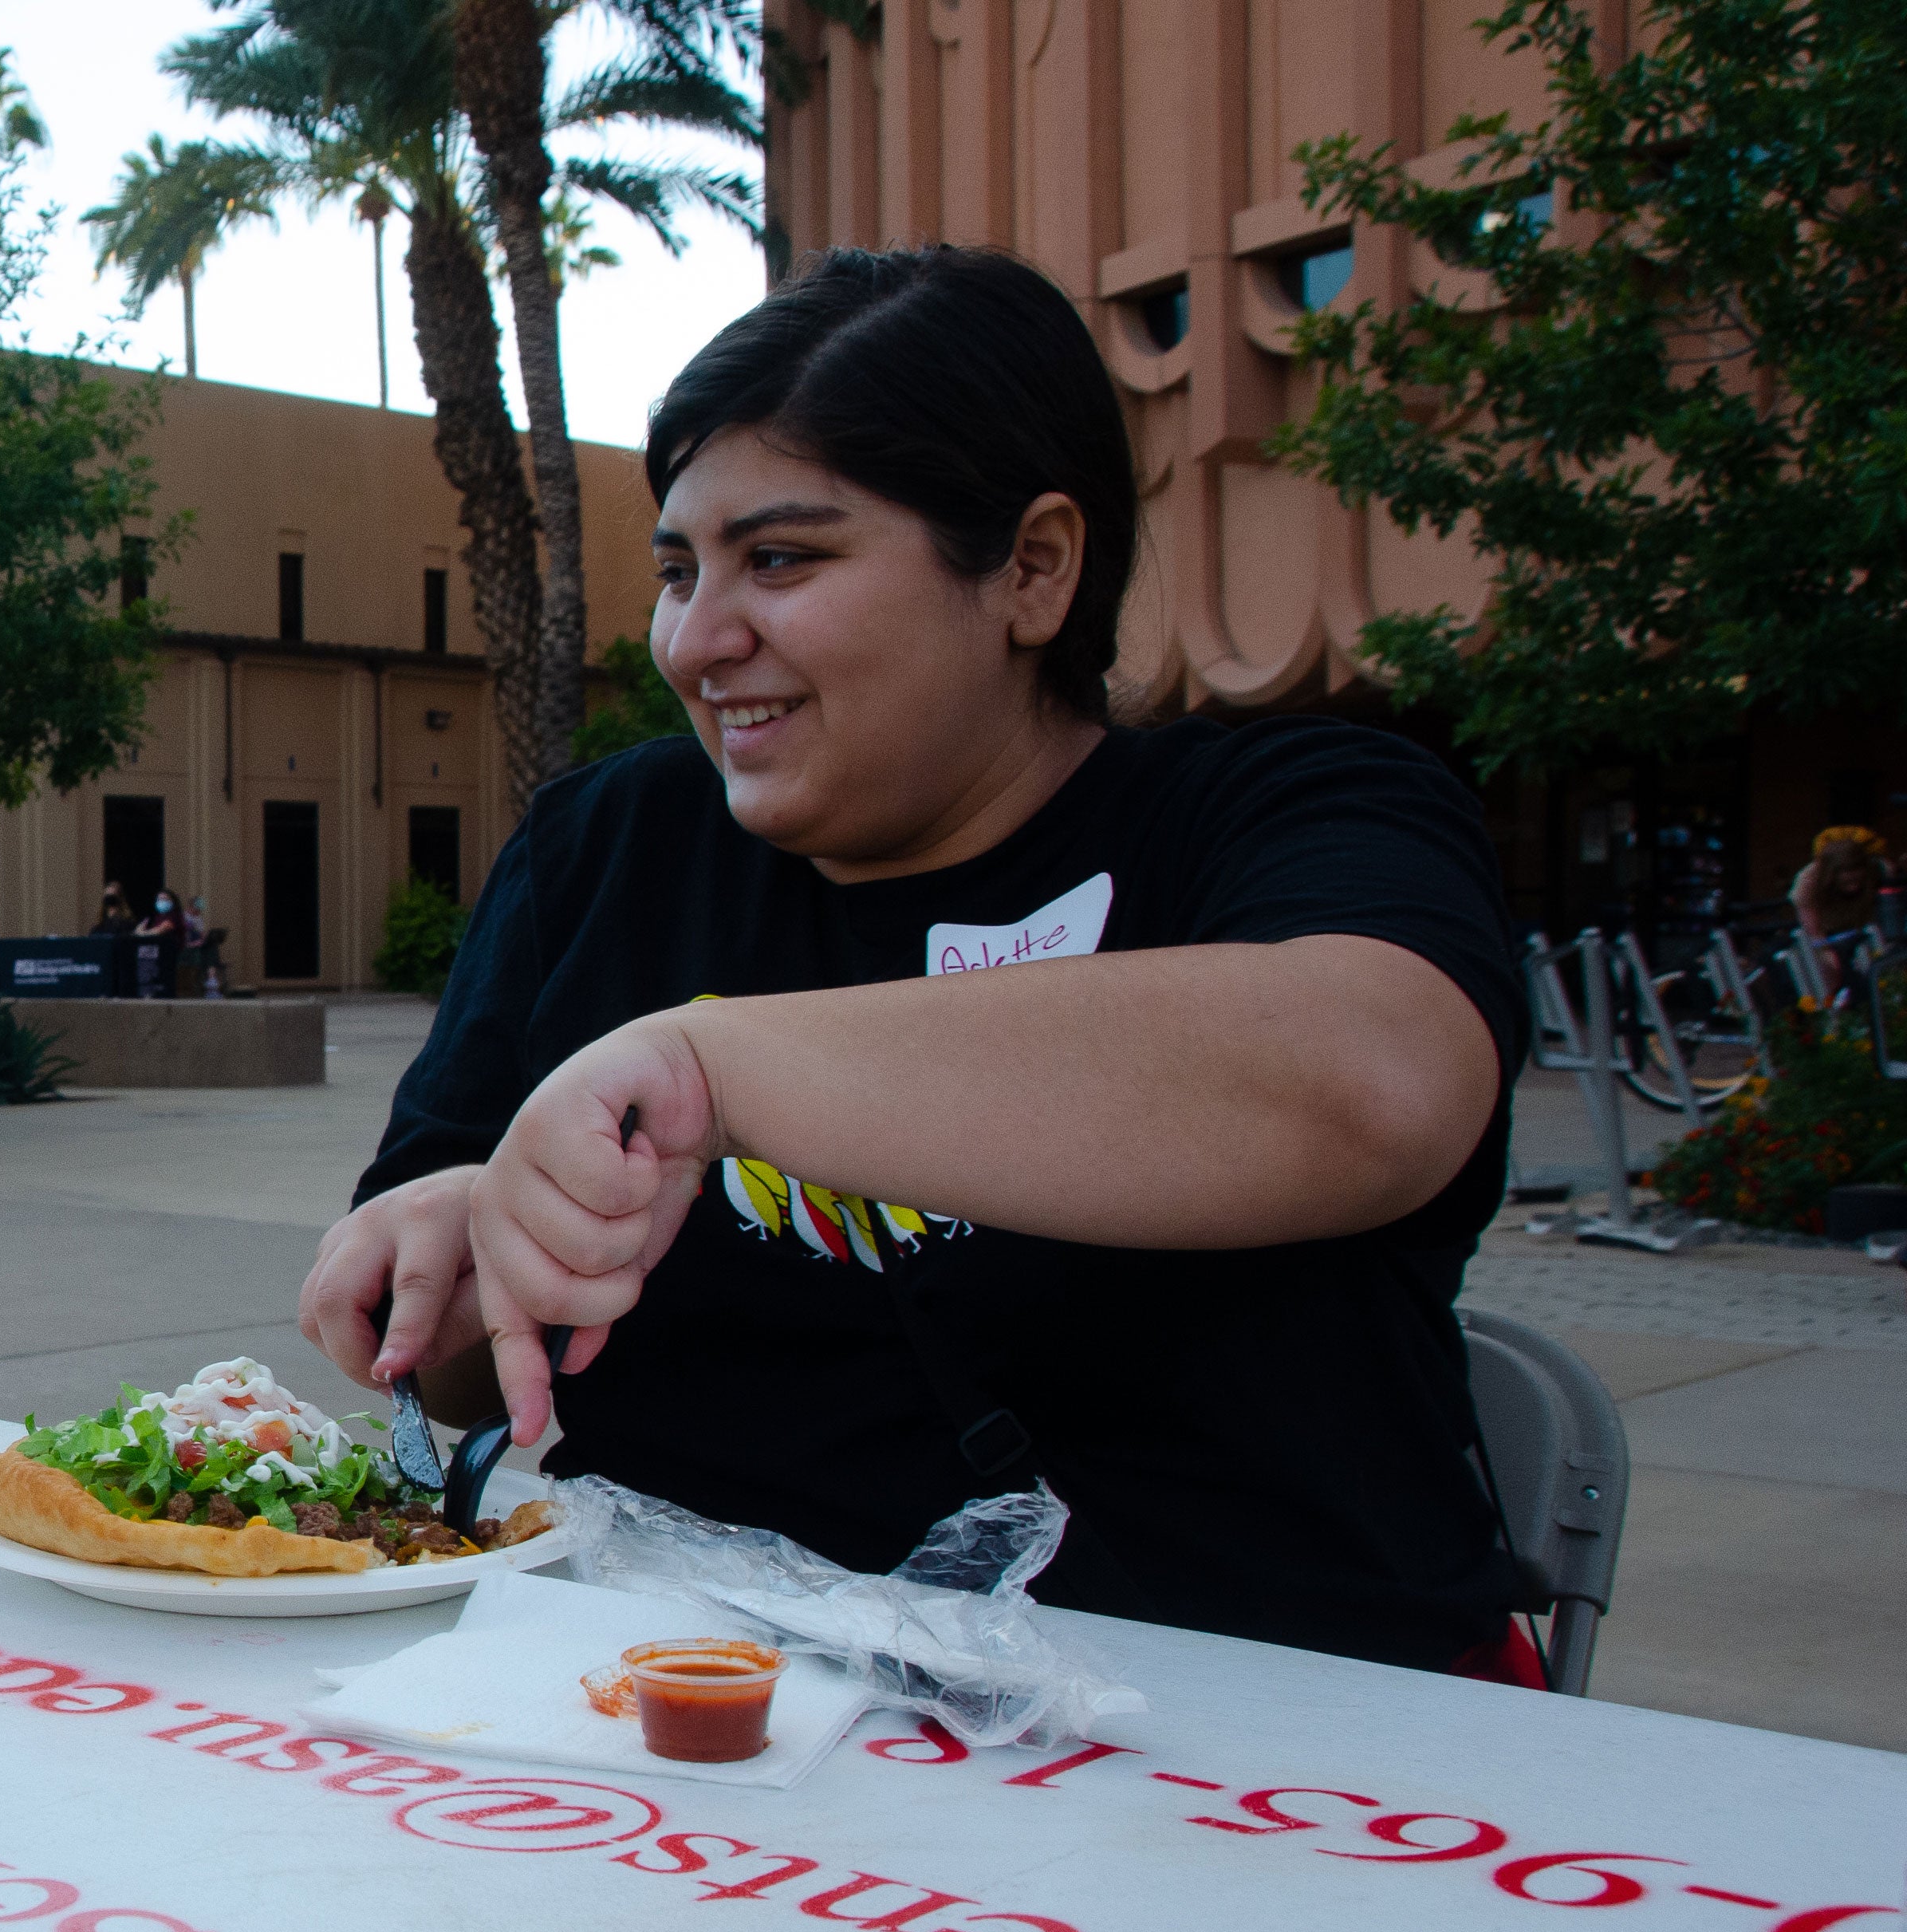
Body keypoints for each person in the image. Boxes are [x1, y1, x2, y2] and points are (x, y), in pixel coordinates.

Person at [298, 246, 1531, 1678]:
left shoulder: (1295, 810)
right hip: (678, 1719)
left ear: (1029, 568)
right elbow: (449, 1366)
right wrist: (471, 1251)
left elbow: (1368, 1088)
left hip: (1248, 1763)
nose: (697, 642)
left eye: (781, 558)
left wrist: (711, 1065)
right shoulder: (605, 842)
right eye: (680, 572)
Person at [1788, 824, 1890, 1002]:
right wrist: (1826, 954)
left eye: (1855, 869)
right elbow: (1816, 936)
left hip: (1867, 938)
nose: (1851, 876)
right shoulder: (1808, 884)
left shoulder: (1879, 871)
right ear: (1830, 873)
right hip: (1828, 940)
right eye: (1844, 871)